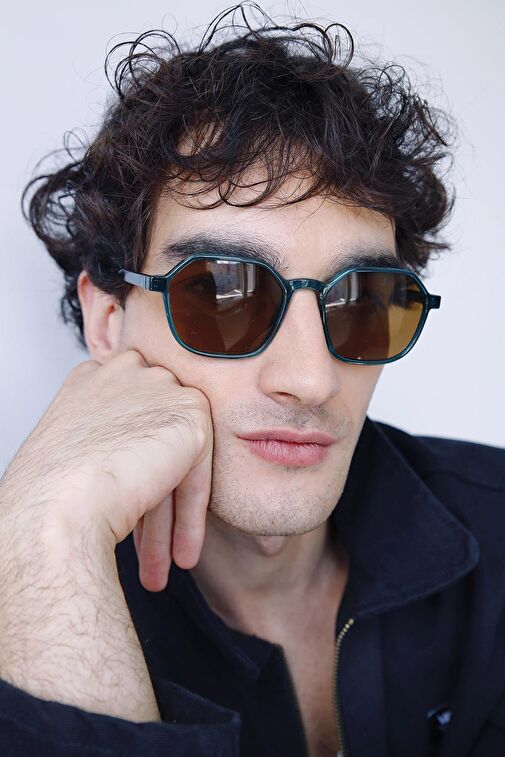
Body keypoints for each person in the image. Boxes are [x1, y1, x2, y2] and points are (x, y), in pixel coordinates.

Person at [0, 4, 503, 756]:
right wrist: (48, 530)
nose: (311, 379)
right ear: (108, 320)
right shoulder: (28, 595)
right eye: (221, 295)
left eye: (363, 301)